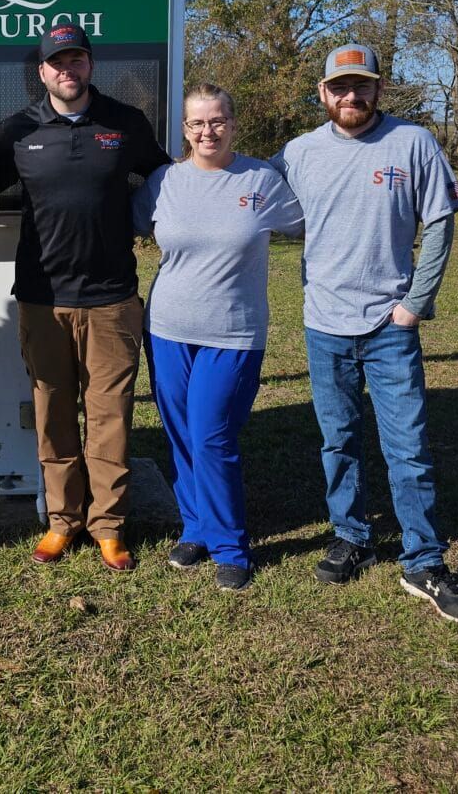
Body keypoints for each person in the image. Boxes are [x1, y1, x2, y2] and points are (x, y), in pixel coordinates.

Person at [273, 44, 458, 623]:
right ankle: (352, 535)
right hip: (324, 325)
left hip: (390, 325)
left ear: (378, 89)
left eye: (361, 85)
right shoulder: (297, 153)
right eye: (339, 87)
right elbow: (247, 204)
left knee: (408, 448)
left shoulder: (412, 142)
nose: (351, 96)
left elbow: (440, 222)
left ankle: (423, 560)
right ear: (322, 93)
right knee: (337, 440)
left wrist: (416, 304)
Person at [0, 23, 170, 571]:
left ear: (90, 65)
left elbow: (167, 178)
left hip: (113, 298)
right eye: (56, 62)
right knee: (52, 413)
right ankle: (62, 521)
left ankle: (109, 525)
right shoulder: (16, 131)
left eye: (77, 59)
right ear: (41, 72)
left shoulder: (126, 123)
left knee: (110, 414)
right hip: (42, 298)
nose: (67, 70)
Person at [133, 84, 302, 591]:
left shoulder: (263, 180)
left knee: (212, 435)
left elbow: (313, 224)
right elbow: (130, 225)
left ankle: (231, 545)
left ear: (233, 122)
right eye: (196, 123)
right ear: (184, 130)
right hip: (166, 327)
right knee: (181, 434)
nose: (208, 131)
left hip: (233, 331)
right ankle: (197, 529)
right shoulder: (165, 181)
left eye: (217, 121)